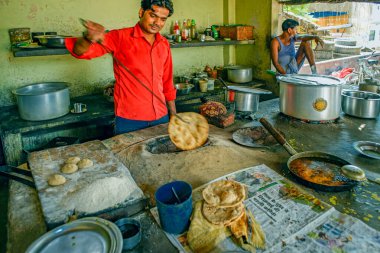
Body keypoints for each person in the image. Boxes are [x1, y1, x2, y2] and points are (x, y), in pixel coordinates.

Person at [65, 0, 177, 135]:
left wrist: (174, 115)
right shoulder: (119, 37)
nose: (157, 23)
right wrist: (88, 38)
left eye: (163, 19)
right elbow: (80, 52)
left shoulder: (164, 44)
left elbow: (167, 82)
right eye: (153, 15)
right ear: (141, 12)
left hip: (161, 116)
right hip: (130, 119)